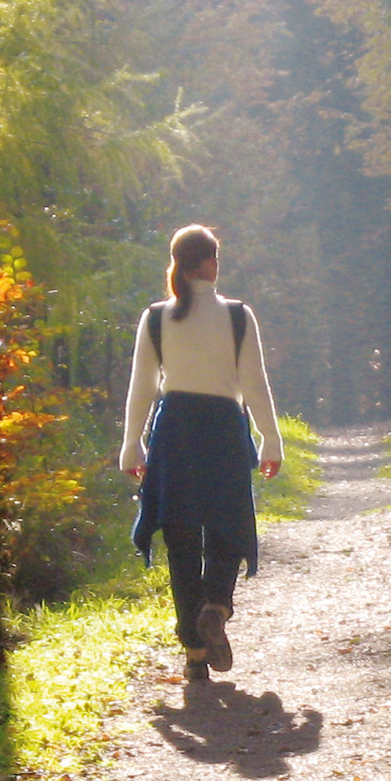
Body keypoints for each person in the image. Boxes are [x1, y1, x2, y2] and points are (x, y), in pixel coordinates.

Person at [120, 224, 283, 681]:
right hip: (224, 432)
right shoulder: (237, 316)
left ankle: (194, 652)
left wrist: (132, 442)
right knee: (227, 525)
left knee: (182, 539)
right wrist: (271, 439)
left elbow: (142, 388)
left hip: (174, 432)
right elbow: (255, 383)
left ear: (177, 264)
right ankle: (216, 605)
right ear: (211, 263)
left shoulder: (156, 318)